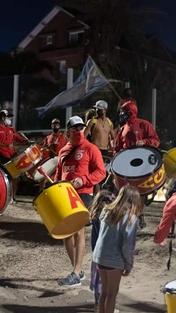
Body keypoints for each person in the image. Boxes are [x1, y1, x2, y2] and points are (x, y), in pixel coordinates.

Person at [55, 116, 106, 287]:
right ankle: (77, 269)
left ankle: (76, 272)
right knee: (65, 233)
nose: (78, 131)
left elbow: (101, 172)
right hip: (64, 194)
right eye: (75, 128)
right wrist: (55, 186)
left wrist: (83, 180)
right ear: (68, 130)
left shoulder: (91, 148)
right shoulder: (63, 150)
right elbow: (59, 172)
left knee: (78, 231)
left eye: (80, 127)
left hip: (83, 193)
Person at [92, 185, 142, 313]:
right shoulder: (129, 217)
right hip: (115, 259)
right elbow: (128, 245)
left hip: (100, 256)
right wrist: (128, 264)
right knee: (112, 294)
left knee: (104, 292)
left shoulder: (106, 210)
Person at [114, 100, 160, 228]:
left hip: (142, 165)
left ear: (130, 112)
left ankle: (140, 215)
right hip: (126, 167)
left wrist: (145, 141)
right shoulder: (122, 129)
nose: (121, 114)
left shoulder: (144, 124)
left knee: (141, 193)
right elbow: (116, 149)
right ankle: (128, 217)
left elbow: (156, 141)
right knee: (125, 192)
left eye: (124, 111)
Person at [0, 109, 28, 202]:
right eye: (8, 117)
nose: (9, 119)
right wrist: (5, 145)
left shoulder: (10, 129)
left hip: (11, 155)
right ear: (3, 118)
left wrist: (26, 141)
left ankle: (12, 197)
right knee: (3, 177)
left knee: (15, 176)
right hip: (1, 156)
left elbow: (18, 138)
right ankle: (2, 197)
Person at [89, 190, 117, 312]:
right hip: (108, 255)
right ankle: (107, 308)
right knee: (107, 286)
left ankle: (97, 306)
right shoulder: (107, 218)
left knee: (98, 284)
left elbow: (93, 239)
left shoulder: (95, 216)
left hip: (96, 254)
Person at [84, 100, 115, 194]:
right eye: (96, 109)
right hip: (95, 150)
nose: (97, 111)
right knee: (96, 175)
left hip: (105, 152)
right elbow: (84, 136)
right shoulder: (92, 121)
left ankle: (104, 195)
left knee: (106, 174)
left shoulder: (109, 123)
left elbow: (113, 138)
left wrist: (113, 149)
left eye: (100, 109)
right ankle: (96, 198)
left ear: (105, 110)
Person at [37, 118, 67, 190]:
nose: (55, 126)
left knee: (57, 181)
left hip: (59, 162)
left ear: (59, 126)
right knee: (44, 179)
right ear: (51, 125)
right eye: (54, 124)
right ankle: (41, 193)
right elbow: (42, 148)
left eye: (57, 124)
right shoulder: (48, 137)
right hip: (49, 162)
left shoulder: (63, 137)